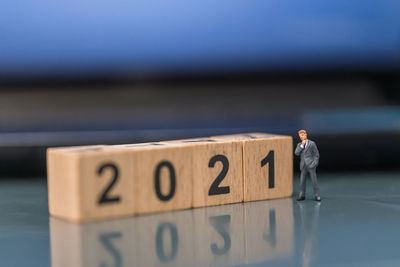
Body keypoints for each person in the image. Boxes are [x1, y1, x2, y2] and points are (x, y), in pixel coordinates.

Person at [294, 130, 321, 201]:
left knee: (314, 180)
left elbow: (316, 154)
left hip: (311, 164)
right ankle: (302, 194)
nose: (302, 137)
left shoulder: (312, 143)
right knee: (302, 181)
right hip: (303, 165)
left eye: (303, 135)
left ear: (306, 135)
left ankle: (317, 195)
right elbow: (296, 153)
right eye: (300, 136)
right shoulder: (299, 145)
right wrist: (302, 145)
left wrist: (315, 163)